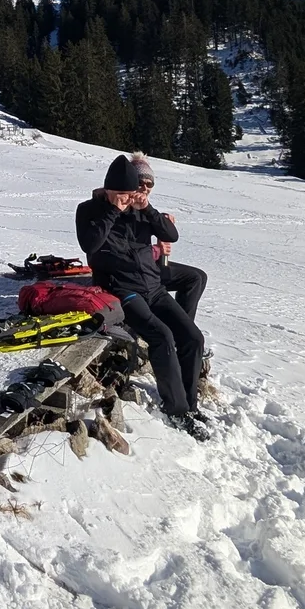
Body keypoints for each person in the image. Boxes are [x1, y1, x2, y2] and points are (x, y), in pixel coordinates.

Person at [74, 153, 211, 440]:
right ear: (109, 190)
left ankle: (189, 404)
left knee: (193, 337)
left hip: (154, 287)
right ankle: (176, 410)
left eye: (129, 194)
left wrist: (147, 209)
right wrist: (113, 210)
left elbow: (170, 234)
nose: (126, 200)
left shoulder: (139, 210)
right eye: (120, 194)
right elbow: (90, 245)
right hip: (122, 290)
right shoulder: (88, 210)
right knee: (161, 335)